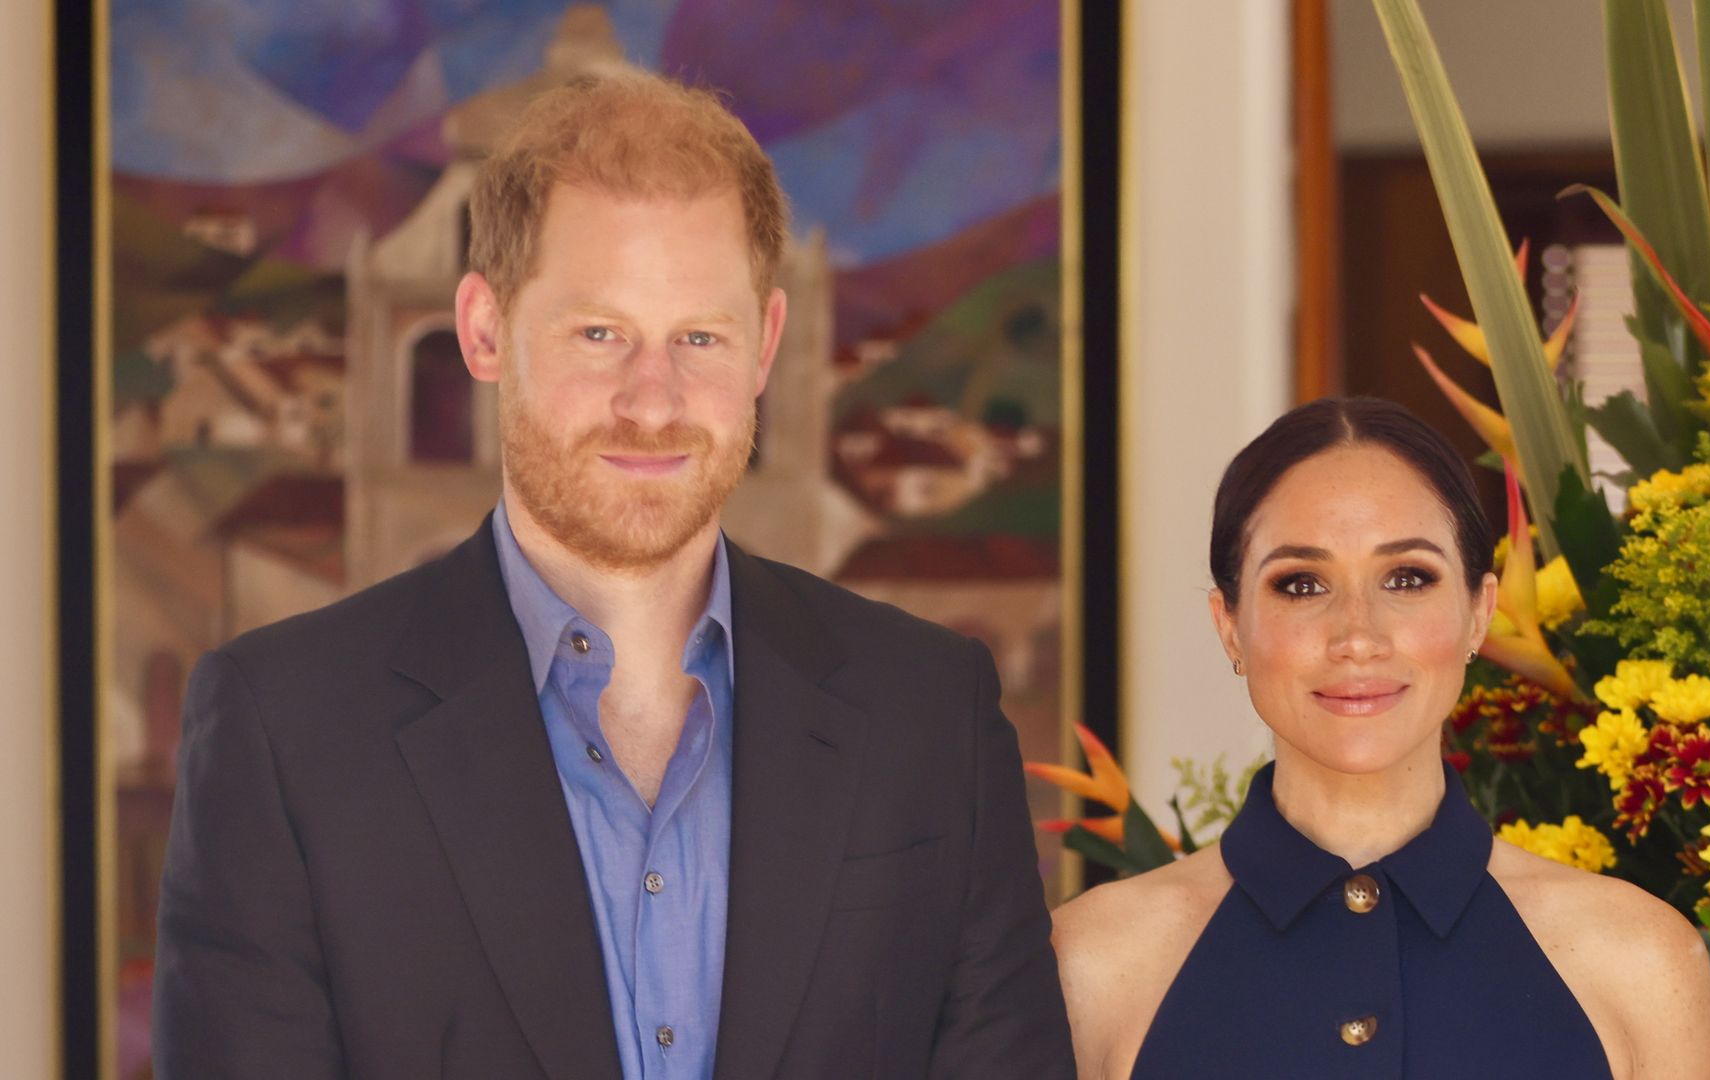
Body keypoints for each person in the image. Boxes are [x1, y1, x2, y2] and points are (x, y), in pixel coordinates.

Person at [152, 71, 1073, 1080]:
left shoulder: (930, 714)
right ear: (485, 330)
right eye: (600, 333)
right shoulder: (284, 731)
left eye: (698, 338)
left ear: (765, 344)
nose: (652, 400)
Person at [1050, 397, 1710, 1079]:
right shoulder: (1091, 963)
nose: (1358, 638)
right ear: (1230, 626)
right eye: (1302, 584)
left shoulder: (1641, 960)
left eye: (1407, 578)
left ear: (1480, 612)